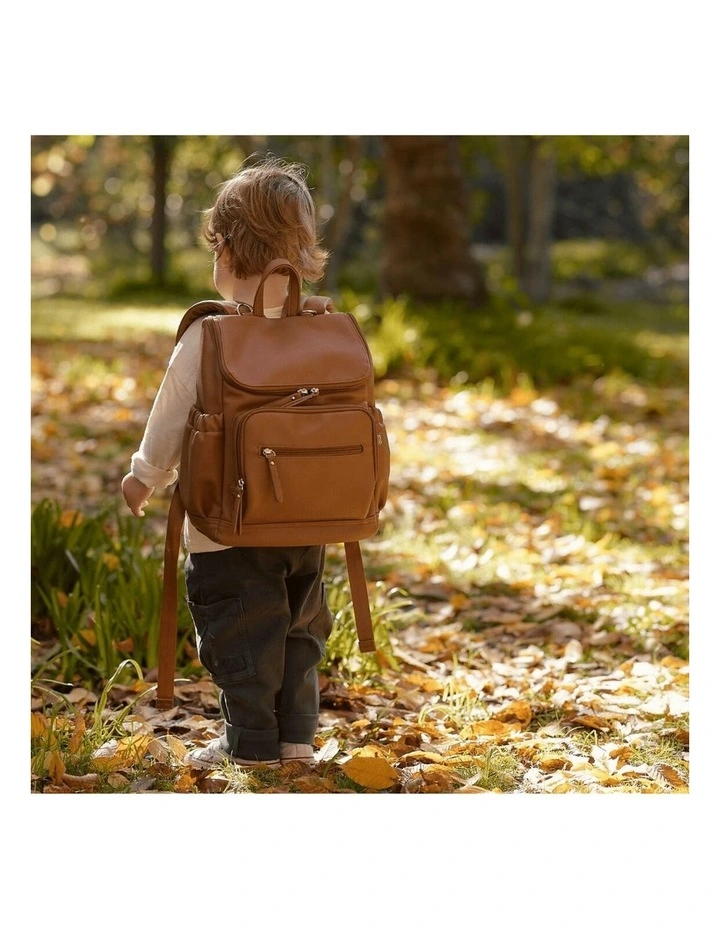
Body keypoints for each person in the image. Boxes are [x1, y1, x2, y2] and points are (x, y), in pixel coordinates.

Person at [121, 155, 334, 770]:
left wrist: (144, 476)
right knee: (298, 631)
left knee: (240, 635)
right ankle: (296, 739)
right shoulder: (320, 328)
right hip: (307, 518)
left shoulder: (209, 334)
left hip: (225, 525)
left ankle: (250, 746)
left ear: (228, 249)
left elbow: (170, 417)